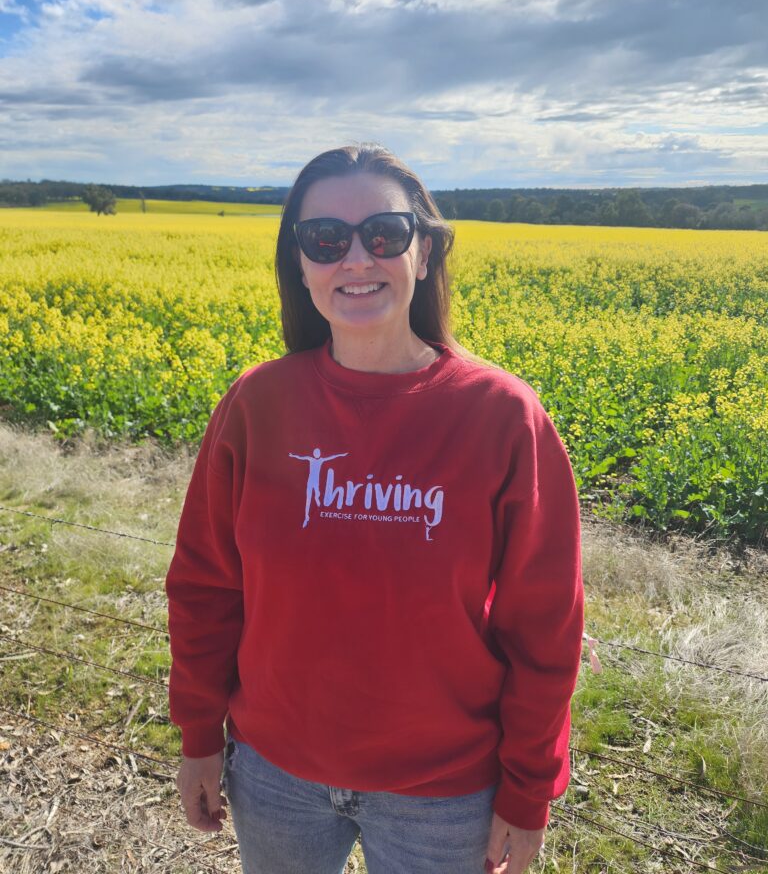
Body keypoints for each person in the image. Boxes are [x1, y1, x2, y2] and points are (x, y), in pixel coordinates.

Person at [165, 143, 584, 874]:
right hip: (274, 774)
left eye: (385, 234)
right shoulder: (257, 403)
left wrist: (528, 790)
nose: (357, 258)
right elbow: (205, 585)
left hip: (446, 794)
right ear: (300, 263)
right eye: (325, 239)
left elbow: (545, 628)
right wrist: (199, 734)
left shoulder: (502, 415)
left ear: (424, 251)